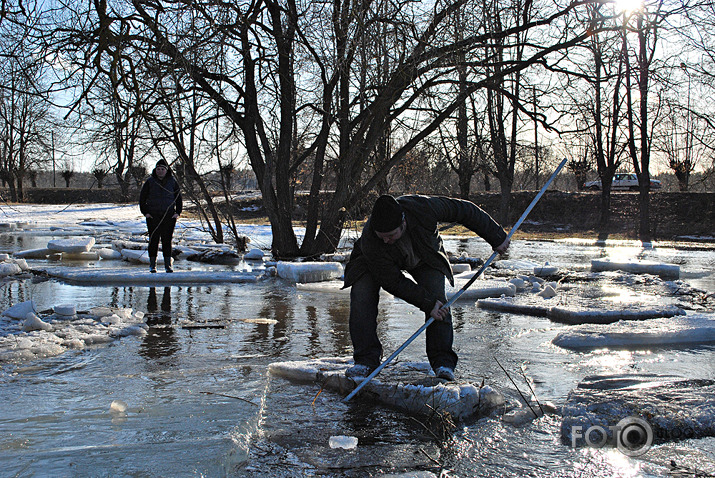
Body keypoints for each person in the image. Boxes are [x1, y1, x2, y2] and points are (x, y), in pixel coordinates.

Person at [343, 194, 510, 381]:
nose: (386, 241)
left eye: (390, 236)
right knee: (361, 295)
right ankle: (366, 361)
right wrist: (427, 304)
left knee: (438, 300)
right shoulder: (372, 241)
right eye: (381, 237)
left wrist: (496, 236)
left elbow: (465, 211)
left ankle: (443, 363)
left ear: (403, 223)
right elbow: (394, 282)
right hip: (372, 263)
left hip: (425, 256)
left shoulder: (424, 207)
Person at [139, 159, 182, 273]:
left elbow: (178, 197)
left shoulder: (172, 181)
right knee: (153, 240)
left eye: (162, 169)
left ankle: (168, 265)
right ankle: (153, 265)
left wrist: (178, 212)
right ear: (155, 170)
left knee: (167, 240)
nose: (160, 171)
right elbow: (142, 198)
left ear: (166, 170)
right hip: (153, 216)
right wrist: (145, 213)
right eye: (158, 169)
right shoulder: (150, 182)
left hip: (169, 216)